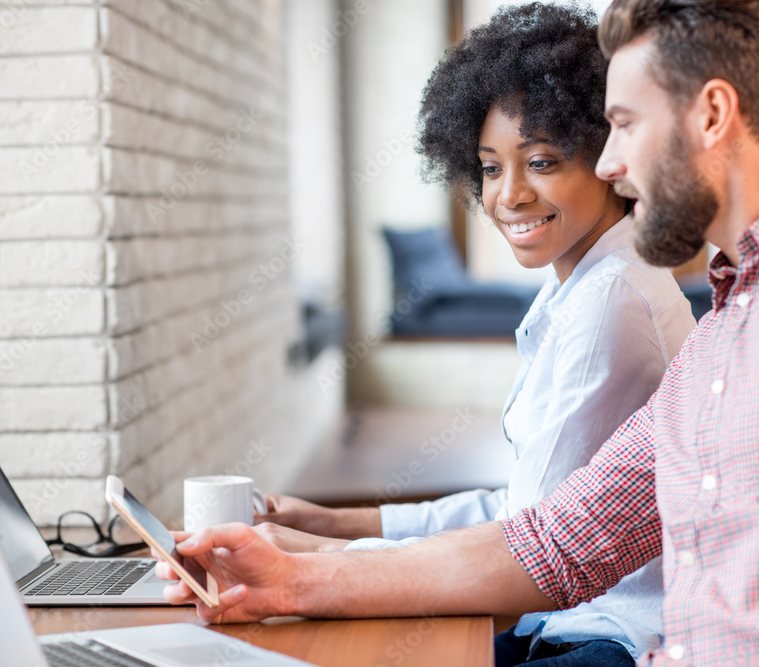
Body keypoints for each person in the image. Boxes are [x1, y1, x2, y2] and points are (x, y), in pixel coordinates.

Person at [155, 1, 759, 665]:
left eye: (621, 124)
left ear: (712, 113)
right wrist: (286, 580)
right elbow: (558, 541)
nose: (609, 163)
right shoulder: (725, 331)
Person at [255, 5, 694, 665]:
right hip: (566, 612)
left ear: (606, 157)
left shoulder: (611, 301)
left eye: (541, 161)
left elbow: (531, 555)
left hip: (611, 634)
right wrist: (335, 523)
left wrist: (308, 559)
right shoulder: (580, 283)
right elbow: (526, 508)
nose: (509, 195)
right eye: (490, 168)